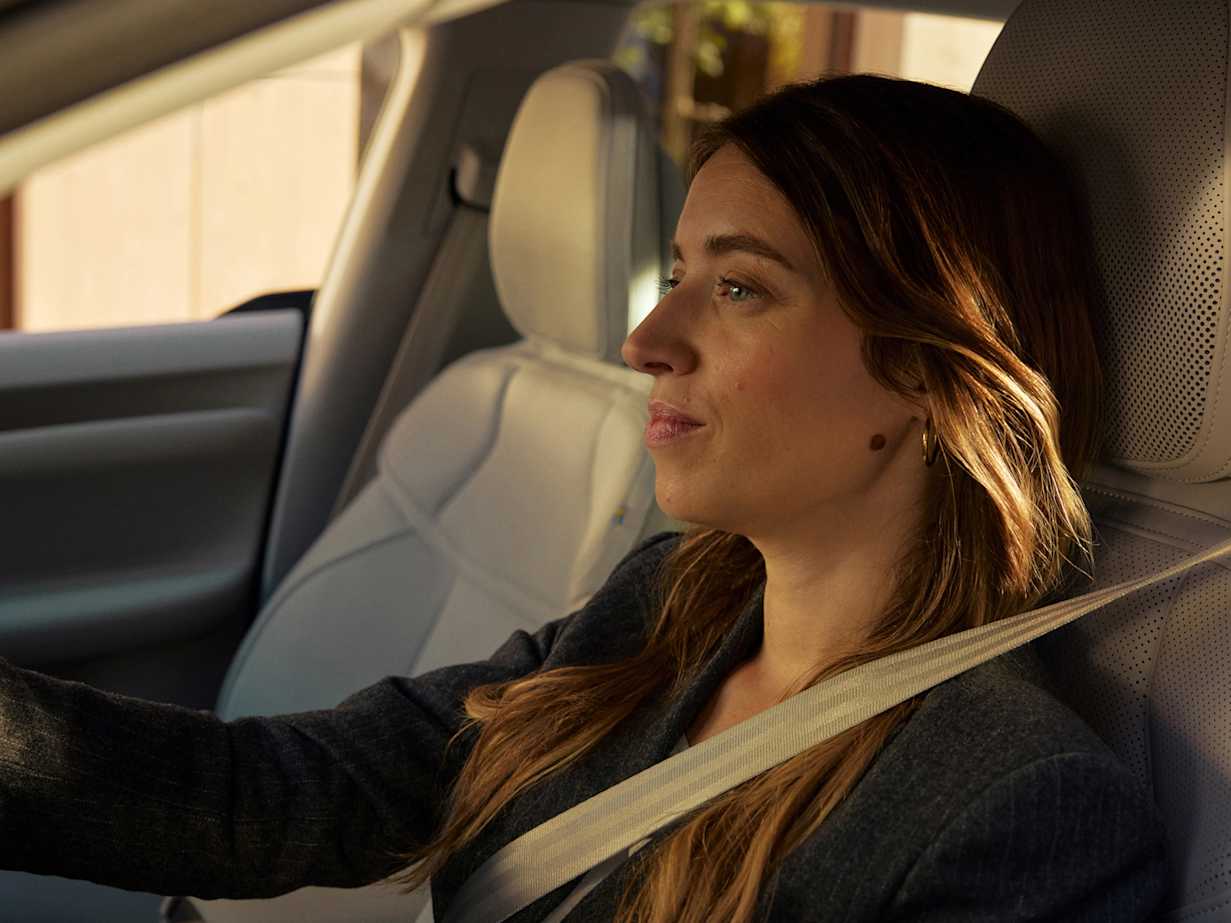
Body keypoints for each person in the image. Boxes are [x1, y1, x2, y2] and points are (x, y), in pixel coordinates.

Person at [0, 74, 1167, 922]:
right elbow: (282, 793)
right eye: (678, 273)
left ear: (922, 367)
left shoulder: (1022, 808)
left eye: (740, 287)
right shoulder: (663, 609)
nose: (647, 338)